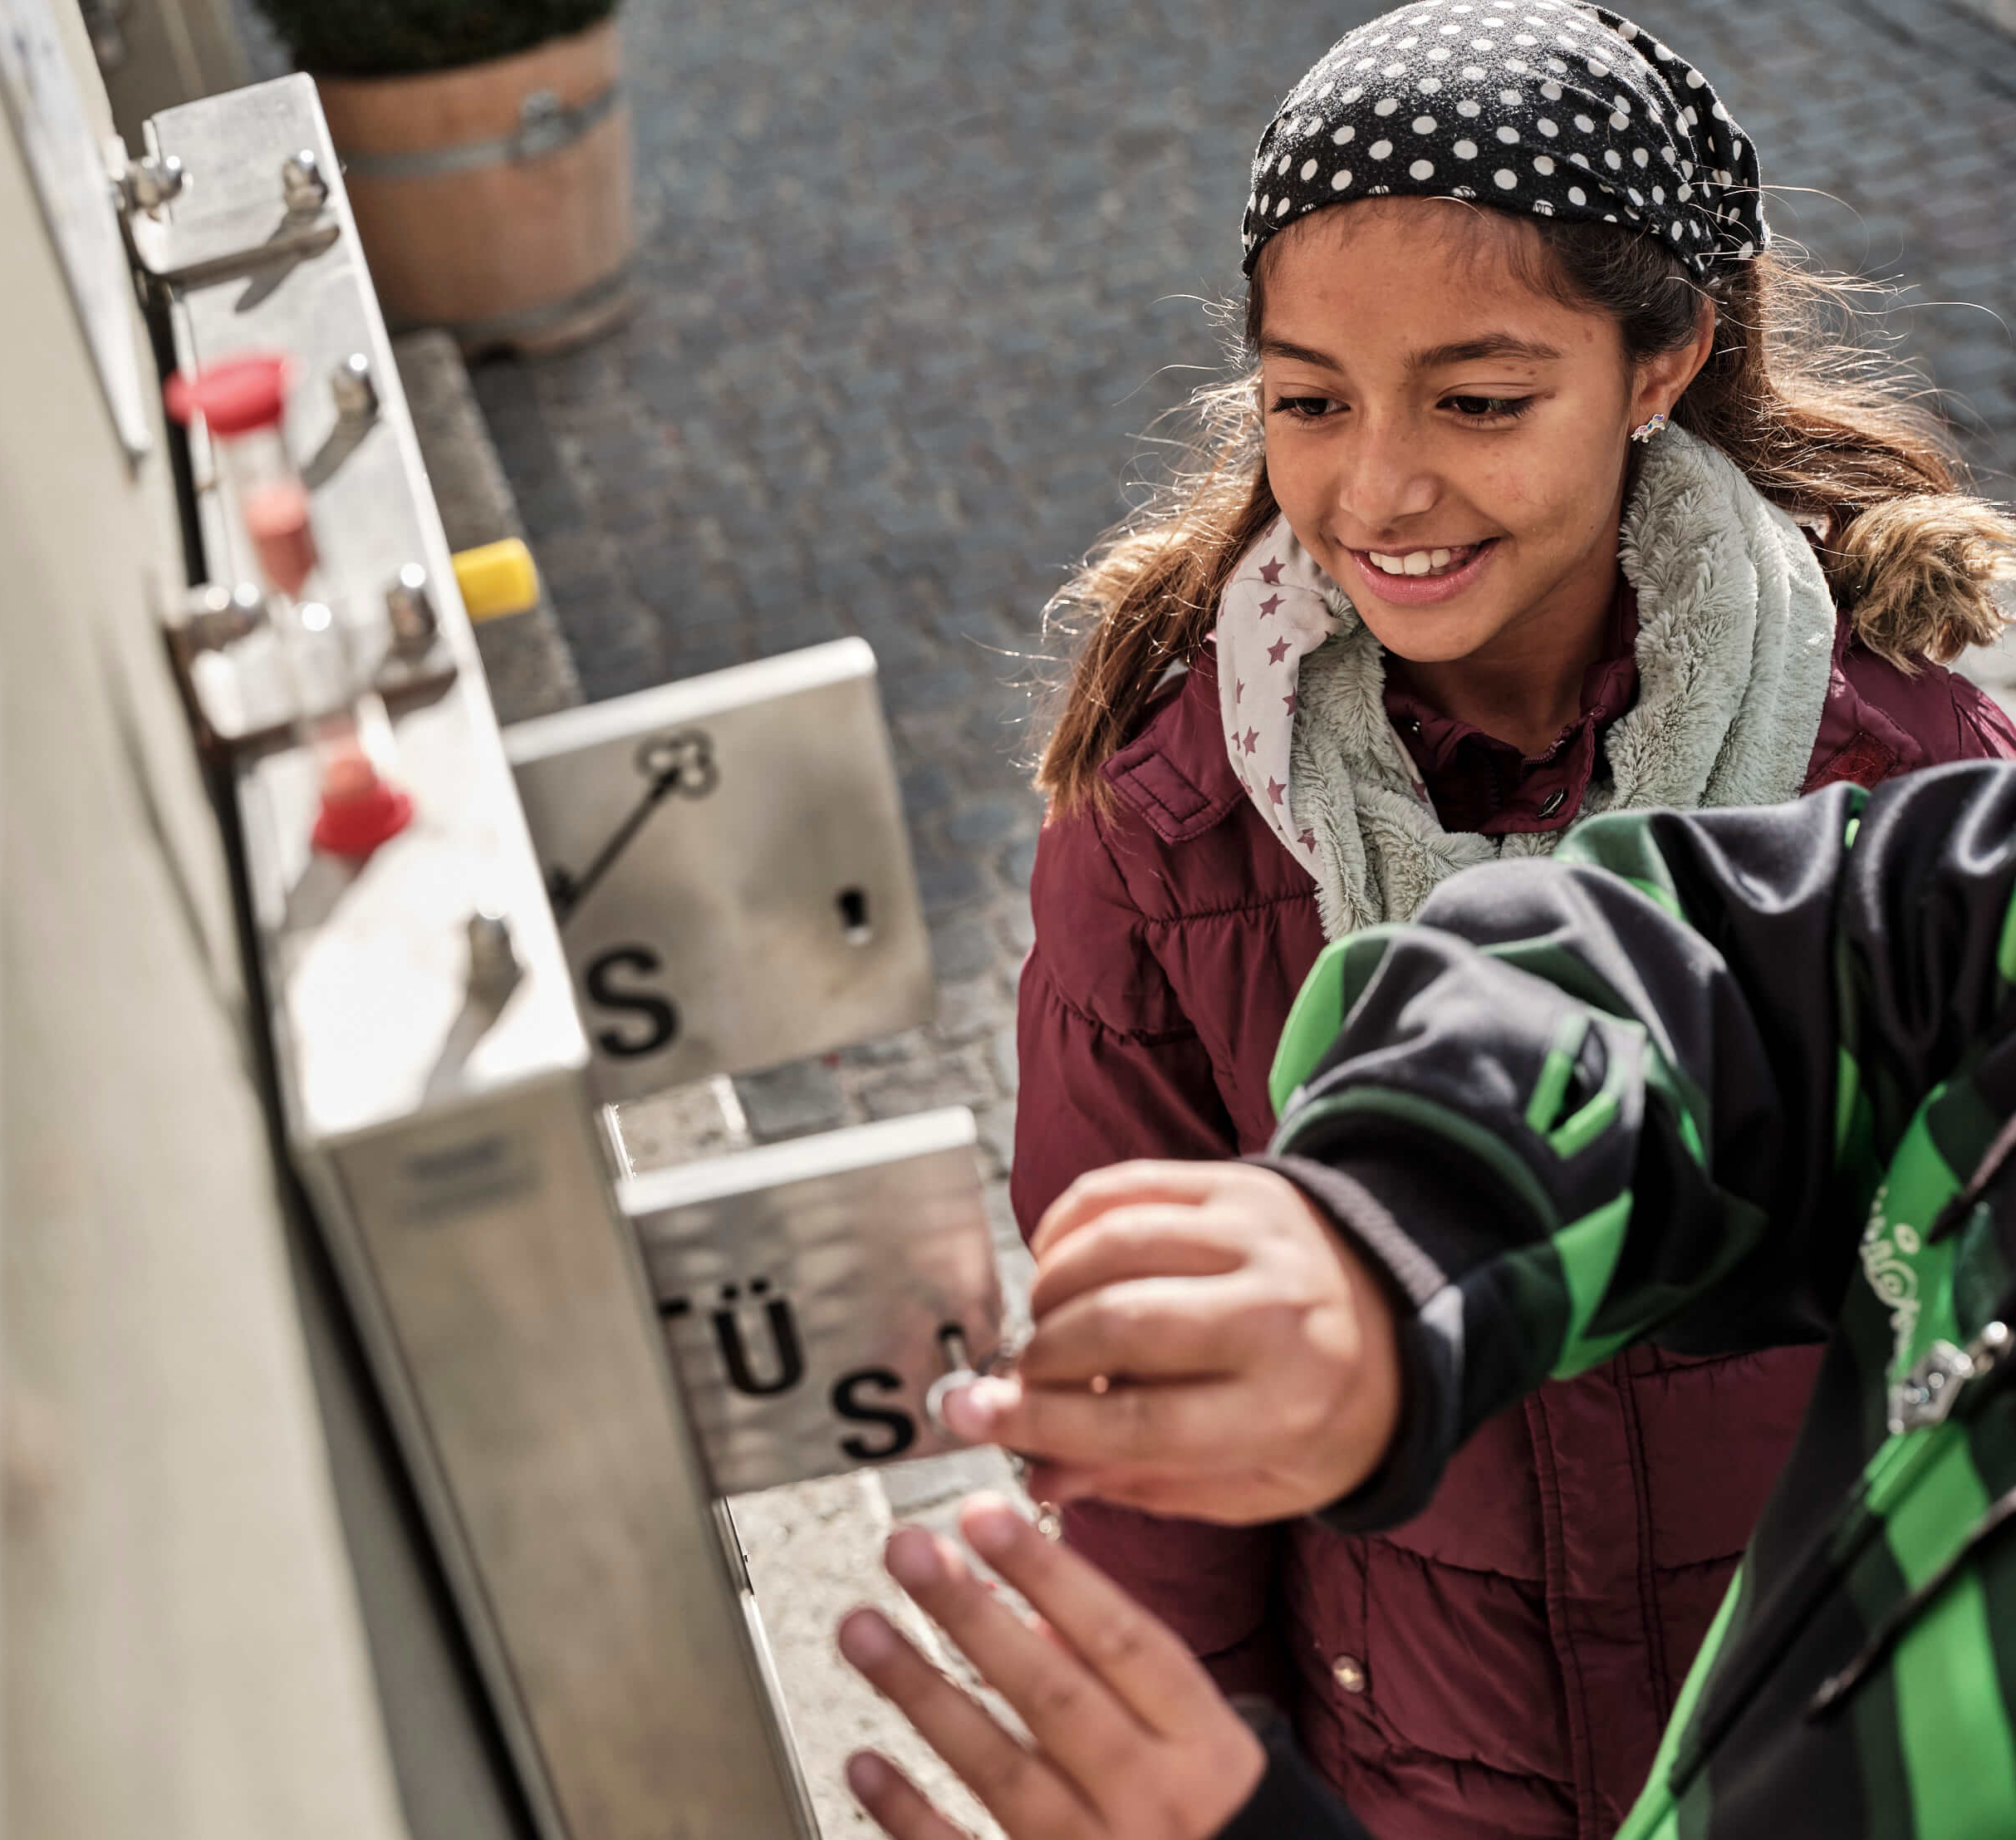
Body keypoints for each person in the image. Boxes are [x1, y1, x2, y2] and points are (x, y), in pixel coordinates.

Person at [1014, 2, 2016, 1830]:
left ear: (1661, 362)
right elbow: (1143, 1436)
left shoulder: (1915, 764)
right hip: (1416, 1779)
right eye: (1306, 399)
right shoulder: (1166, 825)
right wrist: (1207, 1765)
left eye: (1478, 402)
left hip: (1808, 1743)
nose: (1377, 487)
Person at [841, 758, 2016, 1838]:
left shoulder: (1898, 725)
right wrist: (1404, 1224)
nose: (1391, 512)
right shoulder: (1147, 811)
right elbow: (1816, 960)